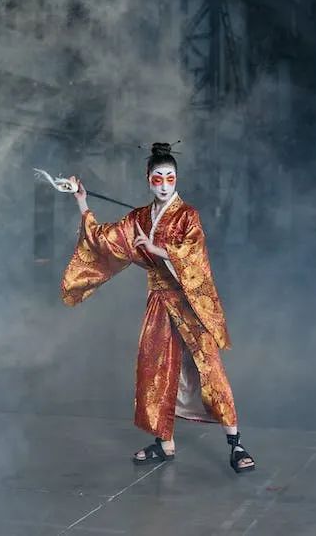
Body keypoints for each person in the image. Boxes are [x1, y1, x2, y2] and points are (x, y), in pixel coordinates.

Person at [61, 142, 255, 473]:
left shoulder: (188, 215)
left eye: (170, 178)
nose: (164, 185)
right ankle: (164, 442)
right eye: (157, 178)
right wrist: (82, 200)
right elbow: (105, 241)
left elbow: (193, 255)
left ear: (176, 179)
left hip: (187, 301)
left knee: (208, 367)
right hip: (159, 302)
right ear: (148, 179)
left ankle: (235, 443)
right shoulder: (138, 218)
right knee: (155, 368)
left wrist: (157, 248)